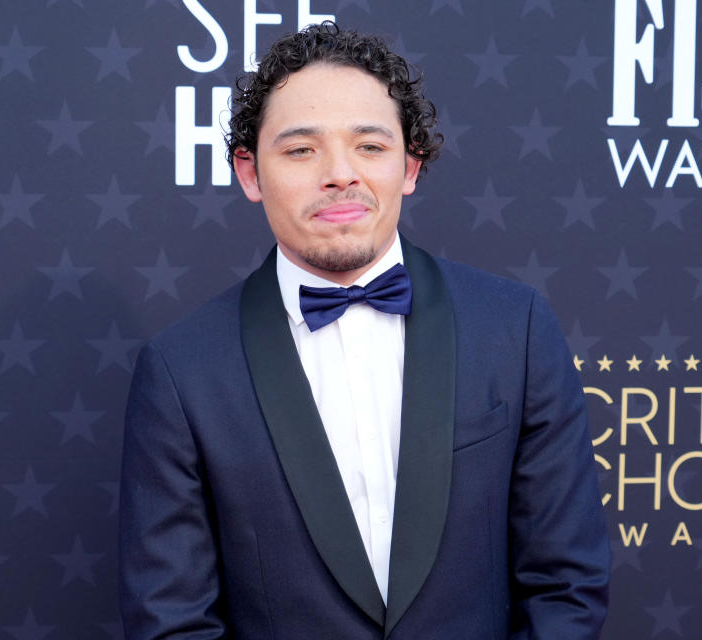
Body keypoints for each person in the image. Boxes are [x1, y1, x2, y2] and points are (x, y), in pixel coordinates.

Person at [119, 22, 609, 640]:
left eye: (370, 147)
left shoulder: (516, 328)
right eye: (301, 150)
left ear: (410, 165)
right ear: (249, 172)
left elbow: (566, 587)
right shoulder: (181, 371)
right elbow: (172, 621)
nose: (340, 174)